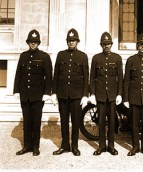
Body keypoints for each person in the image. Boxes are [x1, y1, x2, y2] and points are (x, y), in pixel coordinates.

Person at [13, 29, 53, 156]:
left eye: (35, 42)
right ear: (28, 42)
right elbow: (18, 74)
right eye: (31, 41)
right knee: (27, 121)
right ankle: (27, 146)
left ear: (38, 43)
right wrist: (16, 90)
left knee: (36, 121)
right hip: (25, 95)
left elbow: (48, 76)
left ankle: (35, 147)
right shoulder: (23, 56)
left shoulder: (44, 57)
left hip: (37, 96)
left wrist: (47, 93)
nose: (33, 44)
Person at [51, 28, 89, 156]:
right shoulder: (61, 55)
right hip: (62, 94)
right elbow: (56, 74)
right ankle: (64, 145)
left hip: (77, 95)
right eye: (69, 40)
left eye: (73, 40)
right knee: (64, 121)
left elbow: (86, 76)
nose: (71, 43)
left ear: (77, 42)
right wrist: (54, 92)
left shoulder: (83, 56)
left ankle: (75, 146)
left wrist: (85, 95)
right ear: (67, 42)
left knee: (76, 121)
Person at [89, 32, 123, 156]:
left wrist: (119, 94)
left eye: (108, 44)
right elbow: (92, 77)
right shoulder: (96, 58)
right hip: (101, 95)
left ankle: (111, 146)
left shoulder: (117, 58)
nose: (106, 46)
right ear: (101, 45)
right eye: (104, 44)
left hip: (112, 95)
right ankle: (101, 146)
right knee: (101, 122)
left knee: (112, 122)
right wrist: (92, 94)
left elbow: (120, 78)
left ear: (111, 44)